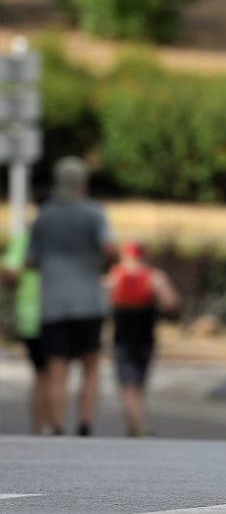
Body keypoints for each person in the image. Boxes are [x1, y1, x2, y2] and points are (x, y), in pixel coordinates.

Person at [25, 157, 117, 436]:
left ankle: (56, 424)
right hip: (88, 301)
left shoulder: (45, 215)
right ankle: (85, 421)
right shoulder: (94, 213)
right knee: (90, 365)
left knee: (56, 367)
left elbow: (31, 261)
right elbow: (110, 249)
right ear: (84, 183)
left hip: (53, 302)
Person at [105, 241, 179, 437]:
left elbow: (103, 301)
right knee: (138, 382)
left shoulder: (115, 275)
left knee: (127, 385)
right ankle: (136, 423)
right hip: (146, 336)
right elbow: (171, 303)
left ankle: (137, 426)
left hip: (123, 336)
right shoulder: (154, 277)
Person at [2, 222, 50, 434]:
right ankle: (43, 427)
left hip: (54, 313)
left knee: (50, 372)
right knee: (45, 372)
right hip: (33, 315)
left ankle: (48, 425)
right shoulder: (25, 240)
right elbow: (10, 273)